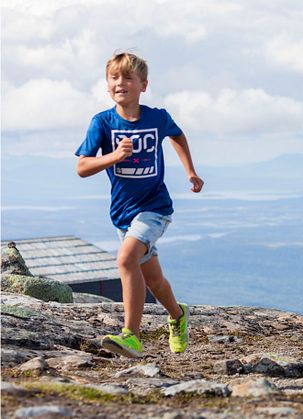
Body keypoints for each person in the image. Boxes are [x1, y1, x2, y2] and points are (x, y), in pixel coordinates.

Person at [75, 52, 204, 357]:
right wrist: (114, 157)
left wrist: (190, 171)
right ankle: (178, 315)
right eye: (114, 77)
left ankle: (131, 335)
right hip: (122, 214)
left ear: (143, 85)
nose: (120, 83)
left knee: (125, 260)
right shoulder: (103, 123)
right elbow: (82, 167)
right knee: (154, 280)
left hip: (155, 207)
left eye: (128, 77)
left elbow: (177, 135)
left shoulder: (156, 117)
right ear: (108, 85)